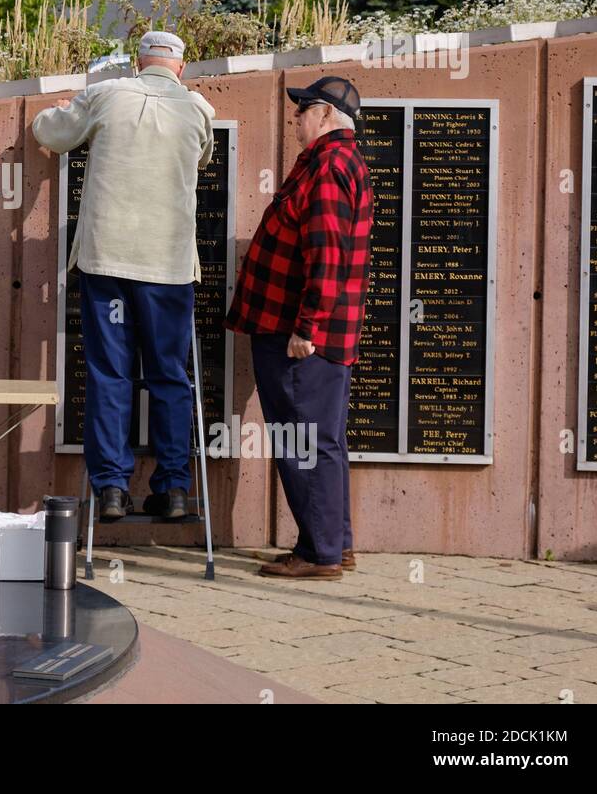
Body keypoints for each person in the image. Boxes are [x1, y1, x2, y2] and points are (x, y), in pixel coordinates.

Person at [33, 32, 215, 522]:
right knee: (169, 377)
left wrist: (55, 109)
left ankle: (111, 488)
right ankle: (175, 488)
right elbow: (202, 158)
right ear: (181, 68)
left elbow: (50, 132)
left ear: (138, 63)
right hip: (169, 268)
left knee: (110, 375)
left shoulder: (106, 94)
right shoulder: (197, 109)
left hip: (107, 262)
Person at [225, 75, 373, 580]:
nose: (295, 118)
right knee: (321, 439)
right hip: (308, 333)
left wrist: (304, 328)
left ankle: (319, 553)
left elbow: (327, 257)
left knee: (302, 439)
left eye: (303, 109)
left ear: (327, 115)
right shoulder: (331, 162)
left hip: (302, 338)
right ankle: (335, 544)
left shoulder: (330, 168)